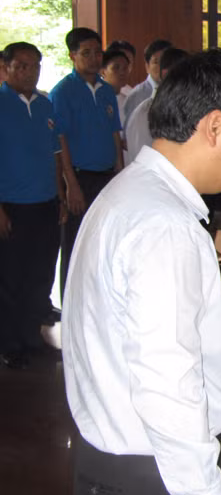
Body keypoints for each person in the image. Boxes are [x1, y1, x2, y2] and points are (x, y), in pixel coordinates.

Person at [62, 49, 221, 495]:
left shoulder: (129, 191)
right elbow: (165, 381)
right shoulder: (164, 225)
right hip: (152, 478)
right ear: (215, 126)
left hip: (117, 462)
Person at [0, 42, 66, 369]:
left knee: (40, 277)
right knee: (11, 279)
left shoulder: (45, 104)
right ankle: (10, 345)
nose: (30, 72)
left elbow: (55, 156)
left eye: (35, 65)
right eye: (22, 66)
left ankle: (31, 338)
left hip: (46, 203)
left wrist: (61, 197)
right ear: (6, 68)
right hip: (11, 206)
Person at [49, 27, 123, 296]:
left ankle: (99, 298)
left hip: (107, 176)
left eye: (97, 52)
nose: (94, 58)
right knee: (75, 244)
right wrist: (71, 184)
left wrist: (119, 170)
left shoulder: (105, 90)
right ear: (72, 55)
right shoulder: (63, 92)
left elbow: (115, 132)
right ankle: (71, 301)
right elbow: (61, 141)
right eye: (86, 53)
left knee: (103, 242)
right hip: (80, 177)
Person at [124, 47, 189, 166]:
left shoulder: (175, 108)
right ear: (166, 74)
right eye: (185, 75)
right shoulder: (146, 112)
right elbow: (144, 161)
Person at [122, 38, 172, 128]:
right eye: (156, 62)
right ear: (147, 66)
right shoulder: (137, 96)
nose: (161, 66)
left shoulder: (176, 90)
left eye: (166, 61)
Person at [100, 48, 131, 121]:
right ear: (103, 72)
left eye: (125, 68)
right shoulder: (97, 100)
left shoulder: (128, 101)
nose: (122, 72)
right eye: (116, 68)